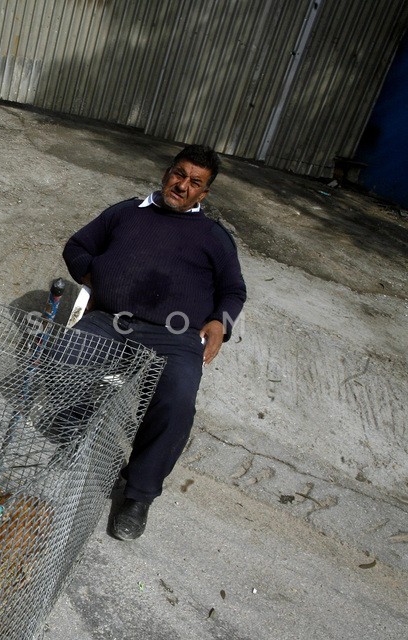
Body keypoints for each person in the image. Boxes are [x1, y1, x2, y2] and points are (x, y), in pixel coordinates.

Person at [61, 144, 247, 540]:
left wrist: (220, 323)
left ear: (204, 194)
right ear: (167, 172)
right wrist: (96, 279)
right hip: (111, 321)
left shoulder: (214, 236)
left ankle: (139, 492)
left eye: (195, 182)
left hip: (175, 335)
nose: (182, 185)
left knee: (178, 397)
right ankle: (77, 426)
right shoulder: (127, 212)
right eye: (179, 174)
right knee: (64, 355)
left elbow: (233, 290)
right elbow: (76, 247)